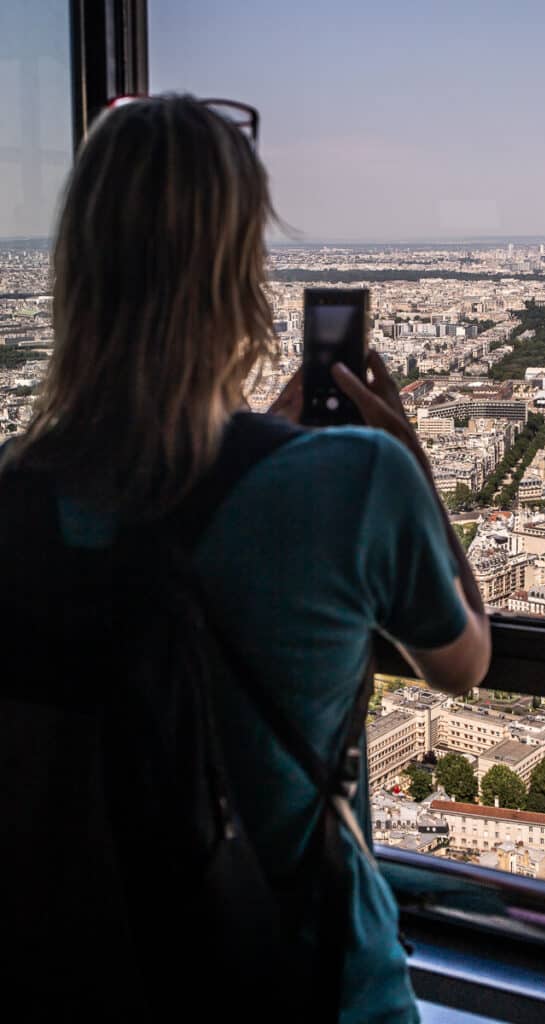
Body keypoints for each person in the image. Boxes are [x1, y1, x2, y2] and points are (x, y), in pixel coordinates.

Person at [0, 94, 490, 1022]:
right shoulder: (351, 479)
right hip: (302, 981)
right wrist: (407, 465)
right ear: (236, 274)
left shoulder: (13, 496)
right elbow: (462, 661)